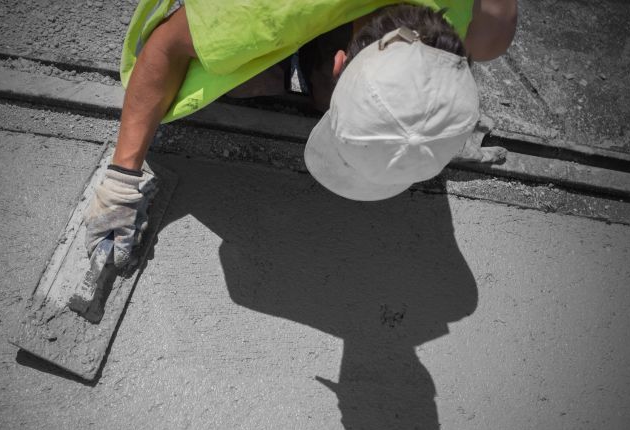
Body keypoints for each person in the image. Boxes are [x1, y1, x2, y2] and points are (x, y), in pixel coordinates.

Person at [85, 0, 517, 268]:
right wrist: (122, 180)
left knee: (492, 32)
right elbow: (165, 46)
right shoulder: (263, 10)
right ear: (340, 60)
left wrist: (439, 120)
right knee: (250, 80)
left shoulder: (483, 24)